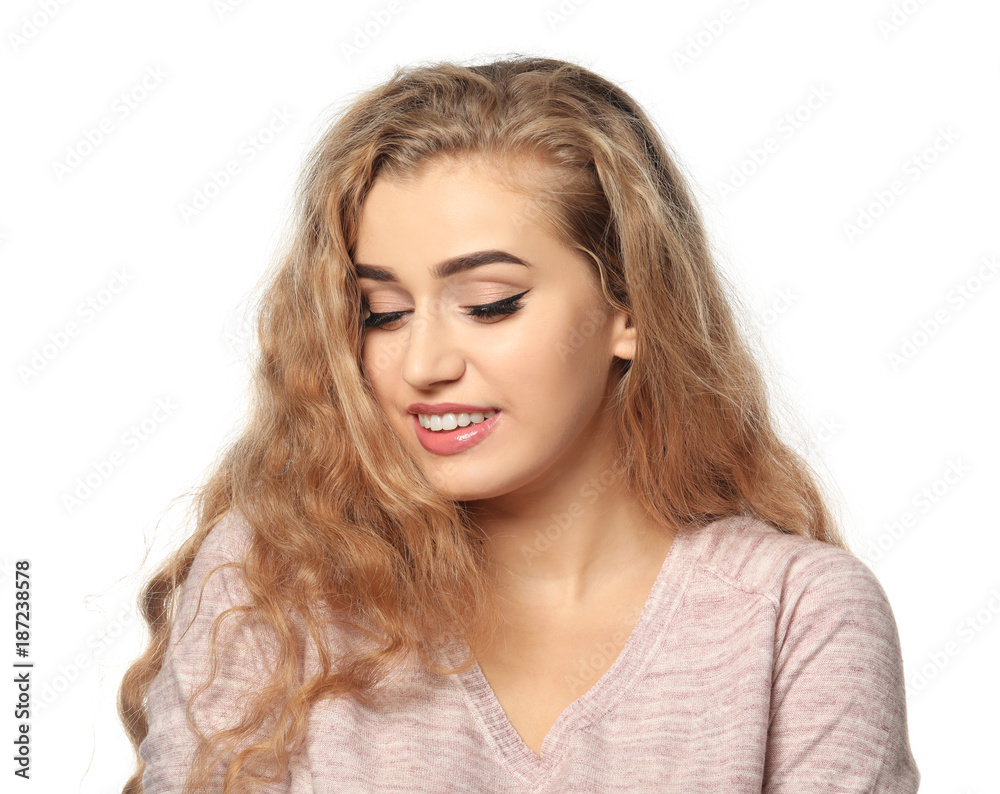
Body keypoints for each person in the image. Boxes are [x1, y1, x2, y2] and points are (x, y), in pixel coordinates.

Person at [118, 54, 920, 793]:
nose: (424, 362)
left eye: (489, 304)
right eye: (381, 313)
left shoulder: (794, 616)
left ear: (631, 308)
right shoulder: (270, 585)